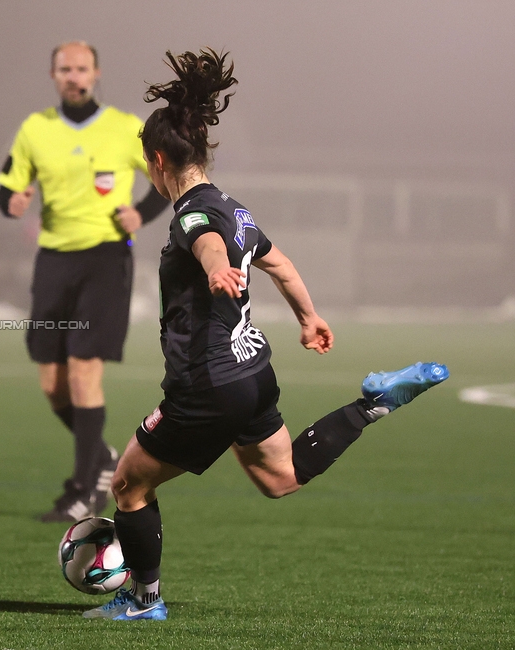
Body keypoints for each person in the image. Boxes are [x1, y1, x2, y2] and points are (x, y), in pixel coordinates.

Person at [83, 49, 450, 621]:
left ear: (157, 161)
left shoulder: (191, 214)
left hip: (207, 385)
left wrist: (214, 268)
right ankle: (372, 404)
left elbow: (205, 241)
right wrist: (308, 317)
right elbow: (279, 264)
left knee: (128, 485)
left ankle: (143, 601)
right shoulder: (238, 210)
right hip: (252, 371)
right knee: (281, 477)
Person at [0, 41, 170, 522]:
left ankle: (82, 490)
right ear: (53, 75)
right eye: (65, 69)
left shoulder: (124, 127)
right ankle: (103, 456)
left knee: (83, 372)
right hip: (53, 261)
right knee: (53, 385)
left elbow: (165, 175)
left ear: (96, 73)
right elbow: (7, 188)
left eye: (81, 68)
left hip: (105, 260)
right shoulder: (35, 129)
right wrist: (12, 202)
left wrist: (142, 213)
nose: (73, 76)